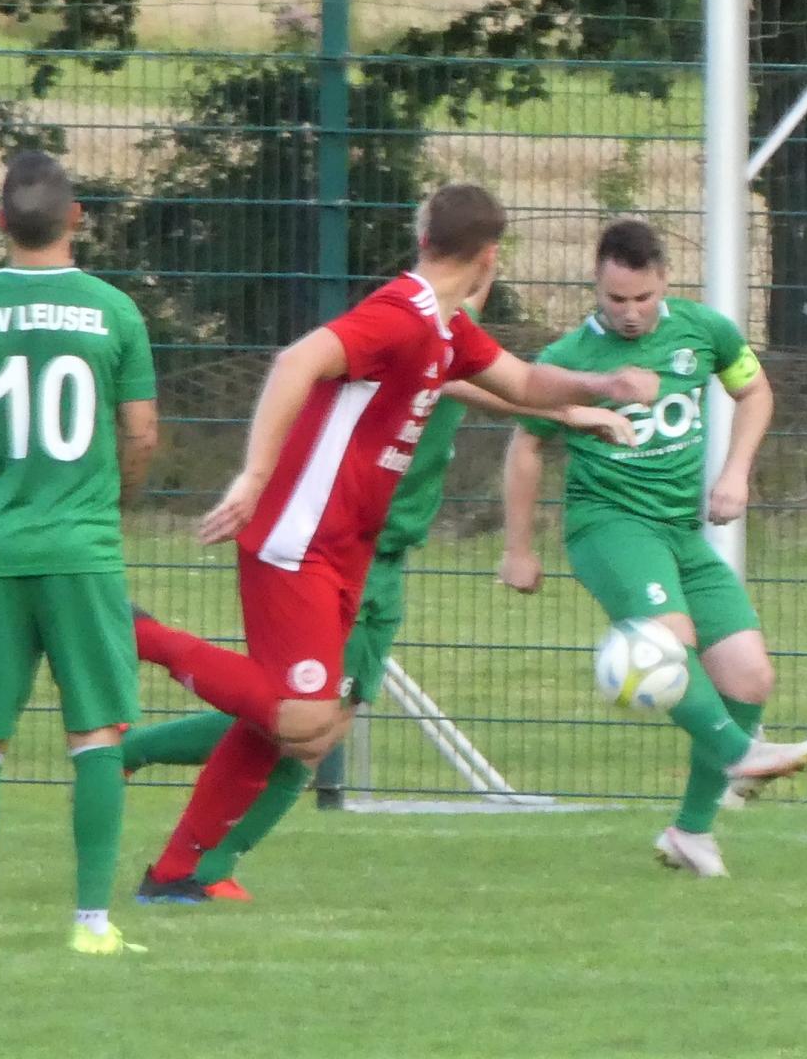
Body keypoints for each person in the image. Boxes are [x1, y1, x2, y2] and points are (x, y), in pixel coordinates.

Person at [132, 182, 666, 903]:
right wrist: (254, 476)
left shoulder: (445, 328)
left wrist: (601, 387)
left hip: (344, 545)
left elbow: (523, 379)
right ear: (490, 257)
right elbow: (297, 362)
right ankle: (139, 634)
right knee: (304, 718)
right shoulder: (401, 314)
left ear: (424, 239)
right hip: (299, 537)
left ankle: (177, 874)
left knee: (302, 735)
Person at [500, 219, 807, 877]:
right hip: (609, 526)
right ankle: (739, 753)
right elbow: (527, 444)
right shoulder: (568, 358)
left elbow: (755, 389)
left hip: (681, 529)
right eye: (616, 299)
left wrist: (736, 472)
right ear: (597, 284)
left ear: (664, 283)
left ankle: (692, 832)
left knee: (749, 675)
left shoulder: (705, 332)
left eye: (642, 298)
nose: (629, 313)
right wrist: (518, 547)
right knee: (669, 640)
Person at [0, 151, 159, 956]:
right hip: (82, 548)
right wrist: (110, 504)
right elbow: (142, 430)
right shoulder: (115, 311)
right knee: (95, 732)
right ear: (77, 216)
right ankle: (90, 923)